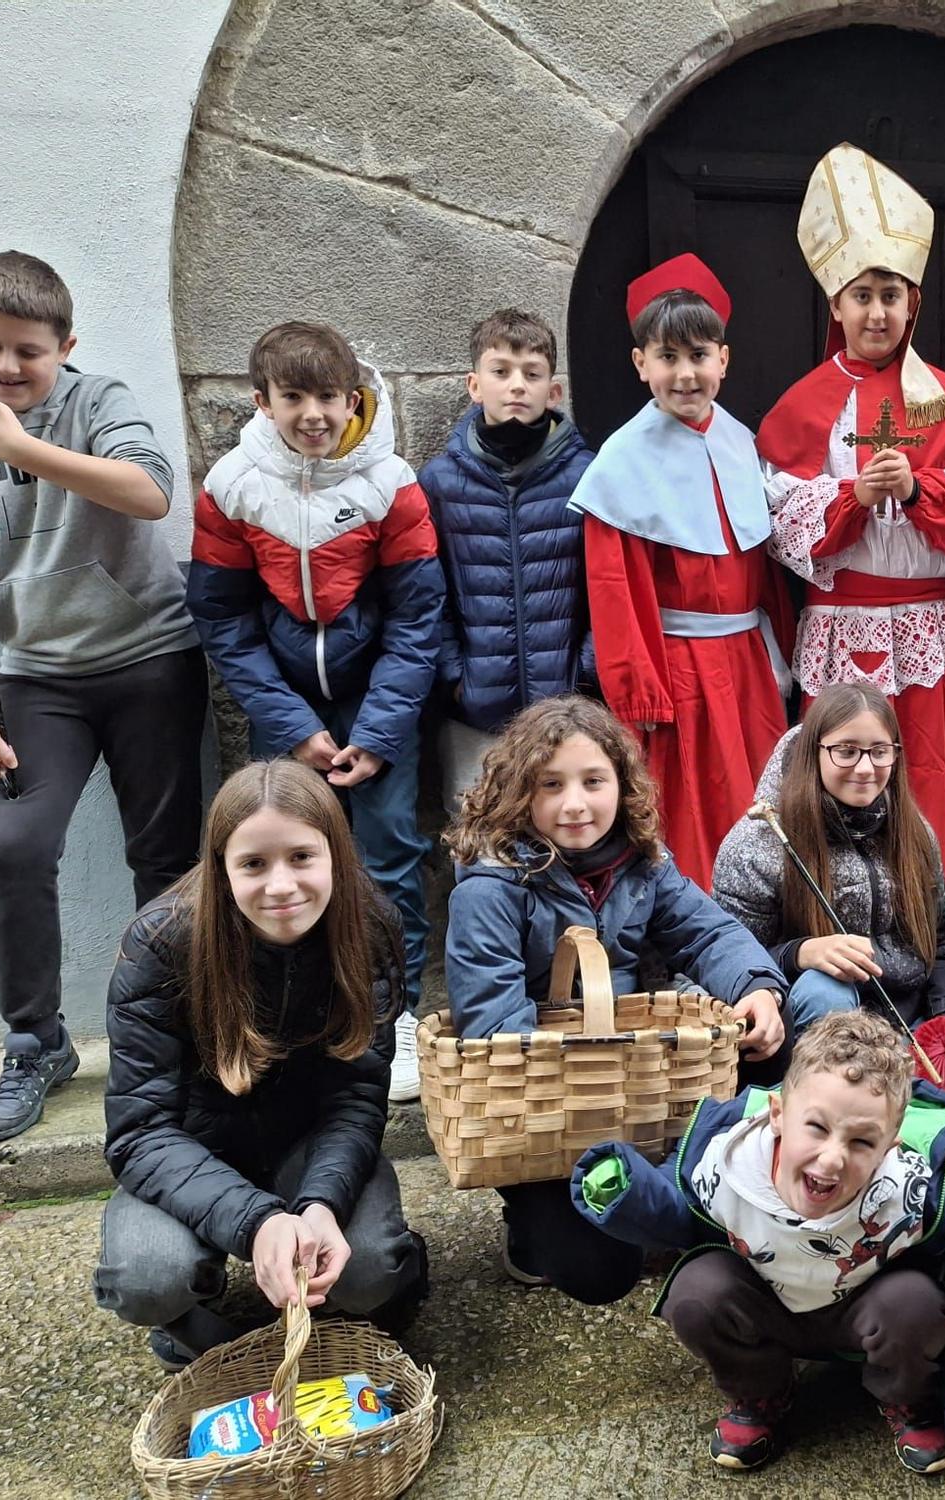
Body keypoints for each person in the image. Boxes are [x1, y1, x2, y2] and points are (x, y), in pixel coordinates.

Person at [0, 250, 205, 1144]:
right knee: (12, 847)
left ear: (64, 346)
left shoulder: (98, 402)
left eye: (29, 353)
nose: (7, 368)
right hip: (36, 677)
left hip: (150, 658)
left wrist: (19, 446)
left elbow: (152, 492)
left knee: (164, 860)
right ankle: (35, 1041)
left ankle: (172, 1033)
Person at [571, 1010, 945, 1474]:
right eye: (816, 1127)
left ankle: (903, 1396)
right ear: (777, 1116)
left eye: (862, 1143)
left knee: (918, 1304)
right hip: (763, 1306)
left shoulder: (912, 1186)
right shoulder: (724, 1161)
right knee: (695, 1290)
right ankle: (761, 1390)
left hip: (862, 1309)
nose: (831, 1159)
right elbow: (673, 1213)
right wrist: (628, 1194)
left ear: (890, 1147)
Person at [443, 694, 794, 1298]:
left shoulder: (643, 863)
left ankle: (706, 1179)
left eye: (593, 781)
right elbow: (494, 1024)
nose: (575, 803)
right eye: (550, 785)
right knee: (600, 1274)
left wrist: (757, 986)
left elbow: (706, 931)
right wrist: (588, 1068)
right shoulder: (491, 886)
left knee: (774, 1052)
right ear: (518, 792)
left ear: (620, 785)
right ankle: (527, 1213)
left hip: (633, 1079)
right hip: (543, 1104)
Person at [94, 760, 428, 1370]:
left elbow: (356, 1100)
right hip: (194, 1150)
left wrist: (319, 1205)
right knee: (146, 1277)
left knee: (372, 1269)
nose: (281, 886)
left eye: (302, 857)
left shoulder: (370, 927)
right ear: (222, 868)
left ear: (335, 855)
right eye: (253, 864)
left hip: (308, 1148)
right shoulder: (159, 943)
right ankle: (192, 1323)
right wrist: (257, 1223)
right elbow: (139, 1131)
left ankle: (368, 1291)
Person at [186, 322, 444, 1103]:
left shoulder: (390, 481)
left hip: (378, 698)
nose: (314, 415)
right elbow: (222, 618)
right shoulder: (232, 485)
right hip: (285, 703)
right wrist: (293, 726)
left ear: (353, 397)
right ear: (261, 401)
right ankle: (291, 1012)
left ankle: (393, 1011)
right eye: (293, 397)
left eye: (328, 396)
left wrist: (377, 732)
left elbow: (417, 616)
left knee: (391, 847)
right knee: (278, 851)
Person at [758, 144, 945, 880]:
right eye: (862, 295)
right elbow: (777, 514)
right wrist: (851, 496)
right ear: (836, 305)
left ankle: (941, 904)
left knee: (930, 776)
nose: (877, 311)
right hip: (846, 625)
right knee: (846, 783)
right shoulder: (803, 406)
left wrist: (920, 489)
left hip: (931, 621)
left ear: (912, 305)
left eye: (890, 296)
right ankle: (841, 899)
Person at [570, 254, 790, 889]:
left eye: (699, 355)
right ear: (642, 365)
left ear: (724, 358)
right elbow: (616, 590)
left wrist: (784, 650)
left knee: (765, 796)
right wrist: (640, 693)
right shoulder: (621, 463)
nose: (685, 374)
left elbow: (765, 563)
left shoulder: (741, 441)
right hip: (680, 670)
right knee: (693, 809)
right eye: (668, 357)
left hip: (748, 661)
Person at [711, 681, 945, 1032]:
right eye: (846, 751)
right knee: (826, 990)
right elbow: (729, 955)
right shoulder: (759, 842)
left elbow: (938, 940)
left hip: (907, 1014)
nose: (866, 768)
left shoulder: (914, 832)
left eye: (879, 751)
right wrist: (800, 953)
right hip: (809, 1017)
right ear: (814, 752)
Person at [418, 307, 593, 806]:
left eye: (532, 374)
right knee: (480, 837)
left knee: (565, 827)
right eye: (501, 372)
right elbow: (429, 591)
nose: (517, 386)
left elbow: (605, 585)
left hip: (565, 705)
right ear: (475, 385)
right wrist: (455, 678)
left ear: (553, 391)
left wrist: (583, 675)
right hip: (477, 710)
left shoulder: (586, 475)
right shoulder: (441, 482)